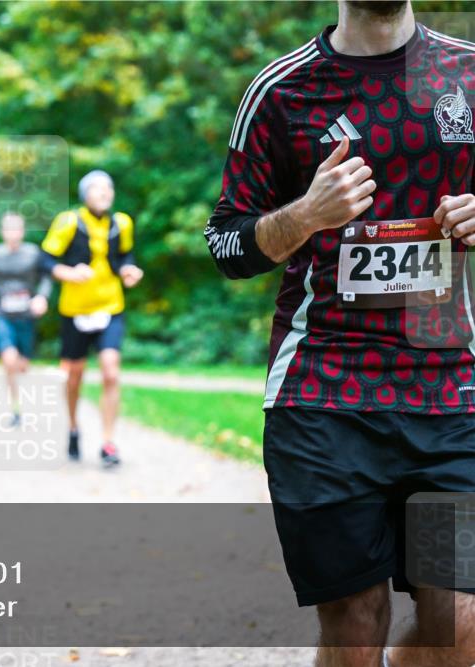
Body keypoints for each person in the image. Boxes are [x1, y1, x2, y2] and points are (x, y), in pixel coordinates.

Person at [205, 2, 475, 665]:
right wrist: (305, 214)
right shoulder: (282, 90)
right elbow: (226, 243)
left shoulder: (467, 73)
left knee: (461, 626)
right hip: (324, 392)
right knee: (354, 625)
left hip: (451, 391)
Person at [41, 171, 144, 467]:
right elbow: (46, 259)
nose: (105, 192)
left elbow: (126, 255)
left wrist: (129, 271)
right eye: (98, 188)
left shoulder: (121, 223)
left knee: (111, 372)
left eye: (109, 187)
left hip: (110, 306)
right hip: (74, 310)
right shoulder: (68, 221)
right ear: (85, 194)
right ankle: (73, 427)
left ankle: (108, 443)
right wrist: (69, 273)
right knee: (74, 376)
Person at [0, 213, 52, 422]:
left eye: (16, 229)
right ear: (2, 232)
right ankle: (15, 408)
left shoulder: (33, 253)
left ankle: (20, 393)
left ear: (22, 231)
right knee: (9, 360)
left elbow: (47, 275)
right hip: (2, 313)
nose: (13, 233)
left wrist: (42, 297)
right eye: (8, 229)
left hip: (27, 316)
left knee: (22, 365)